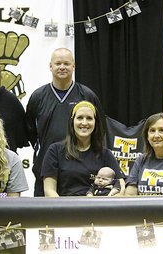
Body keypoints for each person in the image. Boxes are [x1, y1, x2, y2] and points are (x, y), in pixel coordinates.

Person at [26, 48, 104, 196]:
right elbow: (30, 131)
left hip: (80, 175)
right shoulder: (38, 97)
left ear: (73, 66)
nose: (62, 67)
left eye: (66, 63)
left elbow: (100, 128)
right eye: (58, 63)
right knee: (44, 219)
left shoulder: (87, 95)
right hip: (46, 170)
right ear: (50, 66)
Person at [41, 101, 124, 197]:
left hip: (97, 209)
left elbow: (121, 187)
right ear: (72, 121)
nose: (84, 123)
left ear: (95, 122)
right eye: (80, 118)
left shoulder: (106, 154)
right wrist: (63, 210)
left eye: (89, 118)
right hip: (65, 208)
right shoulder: (55, 151)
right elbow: (49, 191)